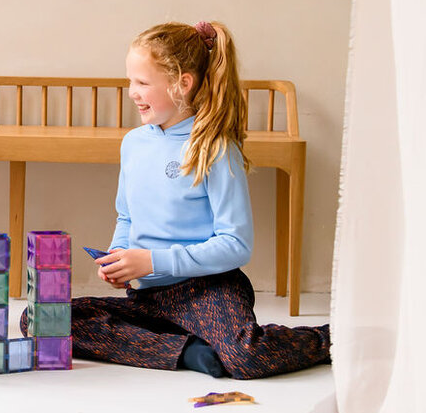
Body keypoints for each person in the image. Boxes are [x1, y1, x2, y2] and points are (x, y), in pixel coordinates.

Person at [25, 22, 330, 379]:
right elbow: (126, 216)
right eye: (130, 82)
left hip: (208, 290)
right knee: (38, 320)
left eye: (142, 83)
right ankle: (187, 352)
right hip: (149, 297)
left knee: (245, 357)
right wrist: (119, 257)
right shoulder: (134, 143)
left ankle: (330, 339)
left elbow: (236, 245)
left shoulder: (214, 149)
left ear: (182, 83)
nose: (131, 93)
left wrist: (152, 261)